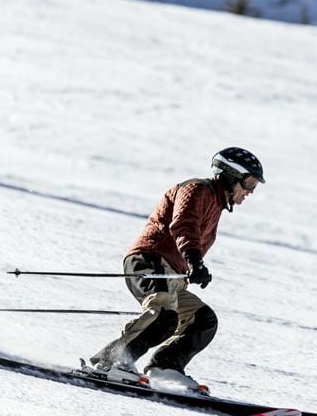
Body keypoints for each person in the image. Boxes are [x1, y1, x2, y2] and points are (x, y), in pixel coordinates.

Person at [87, 147, 264, 394]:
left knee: (202, 320)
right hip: (150, 259)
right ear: (231, 174)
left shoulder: (215, 204)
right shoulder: (198, 189)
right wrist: (194, 261)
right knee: (164, 317)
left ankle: (167, 365)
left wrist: (193, 267)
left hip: (172, 275)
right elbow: (183, 224)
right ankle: (108, 362)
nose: (250, 192)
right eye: (250, 183)